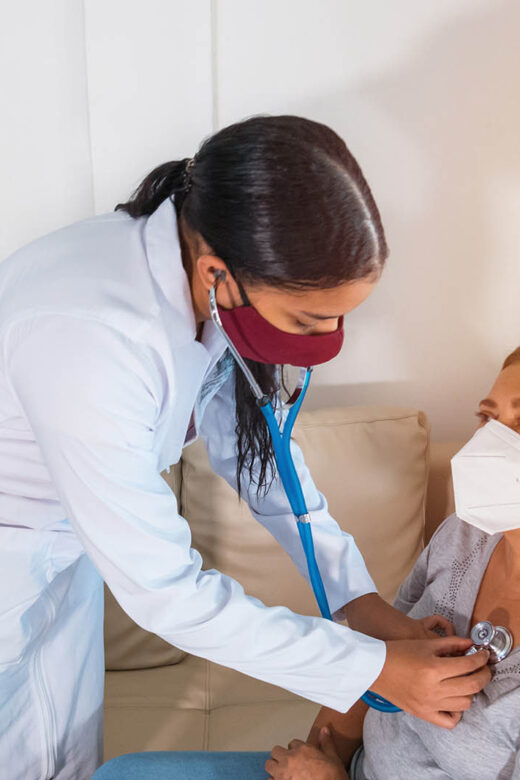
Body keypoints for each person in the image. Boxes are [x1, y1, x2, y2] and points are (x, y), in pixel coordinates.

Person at [0, 115, 490, 780]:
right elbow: (167, 595)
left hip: (64, 551)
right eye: (308, 320)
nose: (327, 338)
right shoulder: (94, 338)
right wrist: (372, 669)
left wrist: (359, 604)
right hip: (14, 556)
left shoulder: (203, 279)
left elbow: (263, 464)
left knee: (65, 758)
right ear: (218, 274)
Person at [264, 345, 520, 780]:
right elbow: (375, 657)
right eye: (486, 418)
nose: (489, 441)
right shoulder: (464, 534)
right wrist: (317, 758)